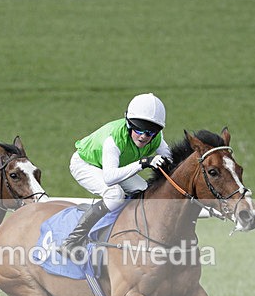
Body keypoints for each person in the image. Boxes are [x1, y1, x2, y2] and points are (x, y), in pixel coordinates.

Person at [62, 93, 173, 251]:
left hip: (114, 166)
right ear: (128, 124)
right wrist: (143, 163)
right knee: (115, 194)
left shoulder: (157, 137)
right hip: (86, 164)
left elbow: (171, 160)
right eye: (138, 130)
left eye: (149, 133)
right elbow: (109, 178)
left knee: (145, 191)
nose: (143, 137)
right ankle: (72, 241)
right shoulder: (113, 140)